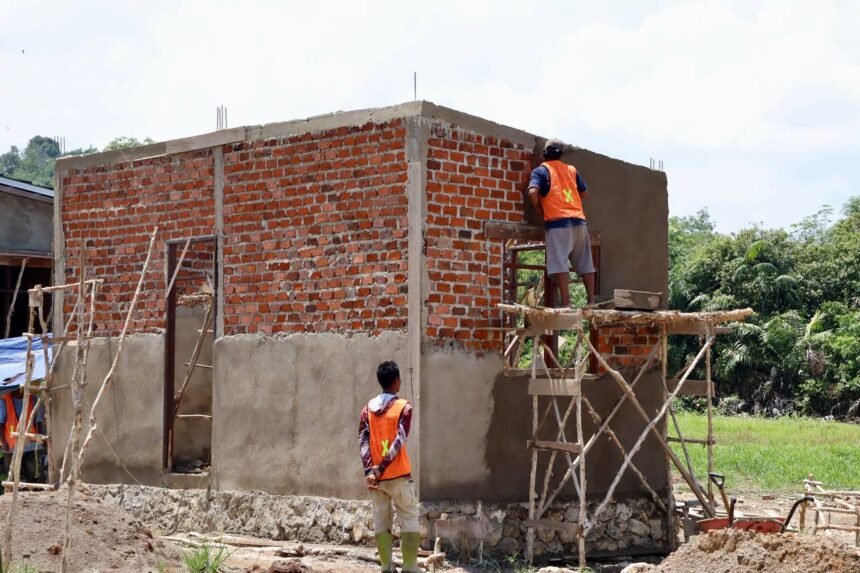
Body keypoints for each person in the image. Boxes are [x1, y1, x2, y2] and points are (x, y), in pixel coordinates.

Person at [358, 361, 420, 573]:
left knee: (381, 521)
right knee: (409, 518)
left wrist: (370, 471)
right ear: (396, 381)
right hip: (399, 476)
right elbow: (399, 440)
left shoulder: (367, 410)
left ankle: (386, 567)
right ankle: (410, 567)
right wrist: (382, 467)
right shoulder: (404, 407)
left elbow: (363, 441)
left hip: (376, 481)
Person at [527, 138, 596, 306]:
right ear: (562, 155)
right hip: (579, 222)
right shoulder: (571, 170)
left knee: (559, 262)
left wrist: (538, 208)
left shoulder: (541, 171)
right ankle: (592, 301)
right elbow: (584, 193)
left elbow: (532, 192)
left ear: (544, 153)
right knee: (586, 262)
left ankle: (566, 303)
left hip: (558, 222)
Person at [0, 387, 46, 483]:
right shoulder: (5, 400)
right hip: (11, 443)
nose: (21, 391)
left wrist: (41, 437)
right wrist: (3, 441)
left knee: (32, 472)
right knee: (13, 472)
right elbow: (0, 423)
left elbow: (37, 421)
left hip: (29, 442)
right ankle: (13, 493)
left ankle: (31, 492)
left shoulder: (32, 399)